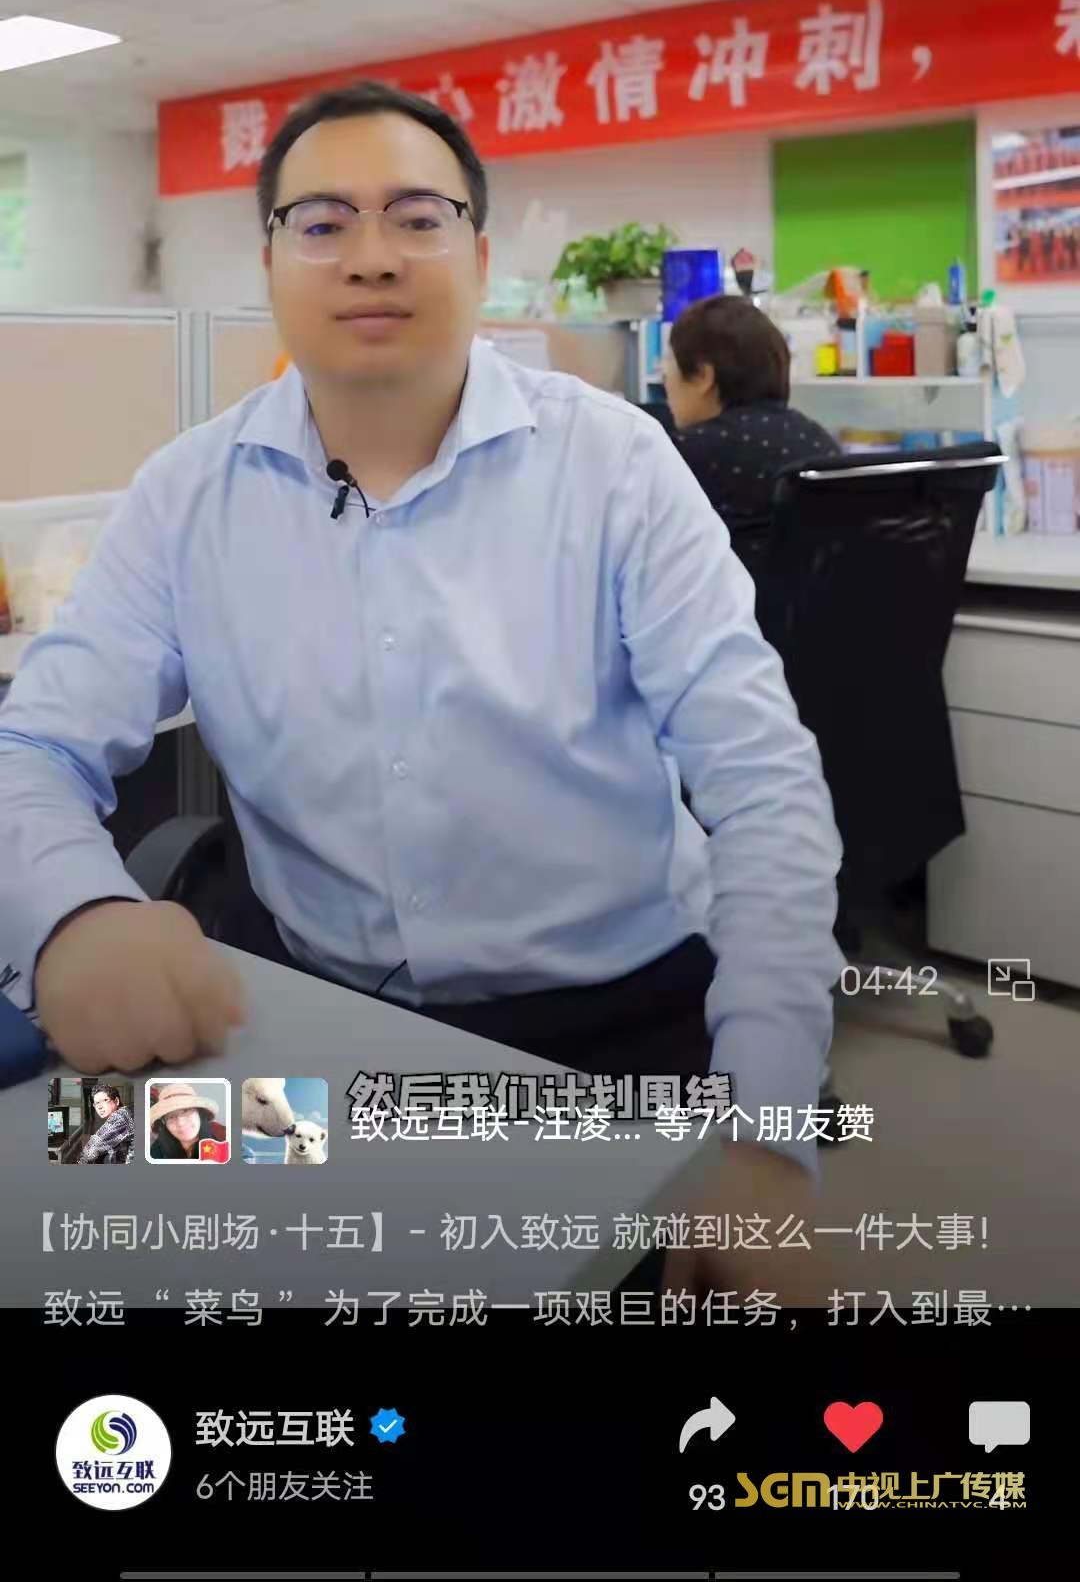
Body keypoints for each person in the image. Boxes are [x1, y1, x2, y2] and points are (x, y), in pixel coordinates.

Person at [0, 80, 843, 1299]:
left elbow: (763, 788)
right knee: (74, 1177)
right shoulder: (188, 494)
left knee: (571, 1293)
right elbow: (32, 746)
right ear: (271, 263)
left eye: (416, 217)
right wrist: (76, 916)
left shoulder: (615, 465)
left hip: (610, 1035)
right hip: (305, 1028)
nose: (371, 257)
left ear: (480, 257)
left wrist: (765, 1135)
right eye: (323, 222)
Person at [663, 294, 839, 580]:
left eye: (669, 362)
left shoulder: (688, 454)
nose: (665, 378)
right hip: (823, 606)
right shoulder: (819, 441)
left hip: (731, 607)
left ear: (704, 376)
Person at [148, 1080, 222, 1160]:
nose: (180, 1123)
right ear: (165, 1123)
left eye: (186, 1111)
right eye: (171, 1117)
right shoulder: (157, 1149)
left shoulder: (217, 1148)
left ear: (199, 1113)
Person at [78, 1079, 135, 1164]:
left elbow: (90, 1151)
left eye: (105, 1100)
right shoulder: (124, 1113)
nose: (100, 1106)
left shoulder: (121, 1116)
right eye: (97, 1103)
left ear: (116, 1101)